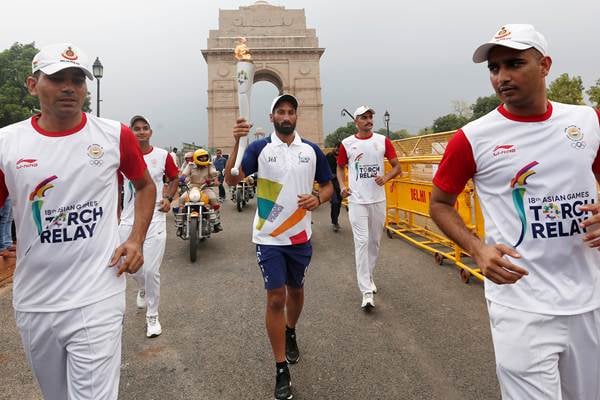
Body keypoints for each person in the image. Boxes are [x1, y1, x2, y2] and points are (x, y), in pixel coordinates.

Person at [429, 24, 600, 400]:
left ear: (545, 65)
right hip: (520, 304)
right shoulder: (472, 138)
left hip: (588, 299)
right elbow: (439, 203)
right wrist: (476, 249)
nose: (502, 77)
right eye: (494, 68)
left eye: (514, 64)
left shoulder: (587, 122)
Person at [0, 43, 155, 399]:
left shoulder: (116, 136)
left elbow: (145, 186)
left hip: (97, 292)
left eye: (77, 79)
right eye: (57, 78)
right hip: (35, 300)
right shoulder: (7, 144)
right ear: (32, 84)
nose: (69, 87)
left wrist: (135, 238)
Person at [225, 94, 333, 400]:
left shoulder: (311, 150)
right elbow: (232, 182)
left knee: (295, 291)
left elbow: (328, 186)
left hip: (299, 235)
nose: (286, 116)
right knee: (276, 297)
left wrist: (319, 198)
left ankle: (291, 330)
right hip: (268, 235)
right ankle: (280, 367)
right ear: (272, 117)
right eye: (280, 112)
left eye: (290, 112)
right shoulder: (259, 148)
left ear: (296, 117)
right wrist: (237, 143)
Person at [119, 115, 179, 338]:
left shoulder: (163, 156)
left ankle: (152, 315)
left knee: (152, 270)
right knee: (127, 264)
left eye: (145, 128)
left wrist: (168, 198)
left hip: (154, 216)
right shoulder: (121, 156)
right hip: (127, 218)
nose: (141, 132)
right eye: (136, 129)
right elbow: (116, 187)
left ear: (150, 132)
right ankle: (143, 287)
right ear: (131, 132)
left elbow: (174, 178)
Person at [336, 106, 401, 310]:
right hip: (357, 201)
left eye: (370, 117)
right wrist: (343, 187)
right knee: (362, 242)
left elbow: (397, 166)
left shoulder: (383, 141)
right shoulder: (347, 143)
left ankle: (369, 275)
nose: (368, 120)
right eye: (364, 117)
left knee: (374, 243)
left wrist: (386, 177)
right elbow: (339, 167)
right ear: (356, 121)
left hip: (377, 200)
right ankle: (365, 292)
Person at [179, 148, 223, 232]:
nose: (203, 159)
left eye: (205, 157)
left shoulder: (209, 165)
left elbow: (213, 173)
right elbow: (184, 173)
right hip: (192, 188)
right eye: (201, 157)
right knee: (181, 199)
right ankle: (180, 225)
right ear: (196, 157)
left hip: (205, 187)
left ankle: (217, 223)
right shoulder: (191, 165)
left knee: (213, 199)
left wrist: (215, 178)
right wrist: (181, 179)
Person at [325, 142, 342, 232]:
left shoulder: (343, 157)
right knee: (335, 202)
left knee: (339, 202)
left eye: (339, 148)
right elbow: (325, 168)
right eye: (336, 147)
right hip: (331, 182)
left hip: (340, 183)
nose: (337, 149)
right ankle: (335, 222)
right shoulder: (329, 156)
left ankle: (336, 220)